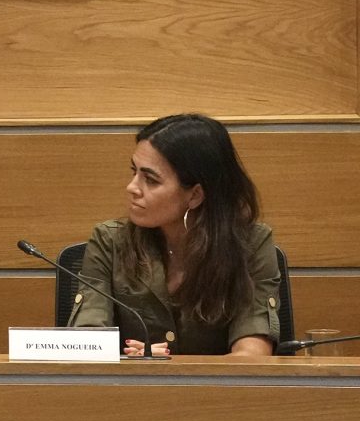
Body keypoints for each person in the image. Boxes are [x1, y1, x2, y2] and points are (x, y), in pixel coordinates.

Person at [71, 112, 280, 358]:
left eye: (150, 179)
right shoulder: (110, 242)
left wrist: (176, 368)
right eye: (134, 172)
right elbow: (86, 343)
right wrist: (126, 362)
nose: (132, 188)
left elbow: (252, 355)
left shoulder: (250, 245)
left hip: (219, 395)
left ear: (195, 195)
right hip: (129, 393)